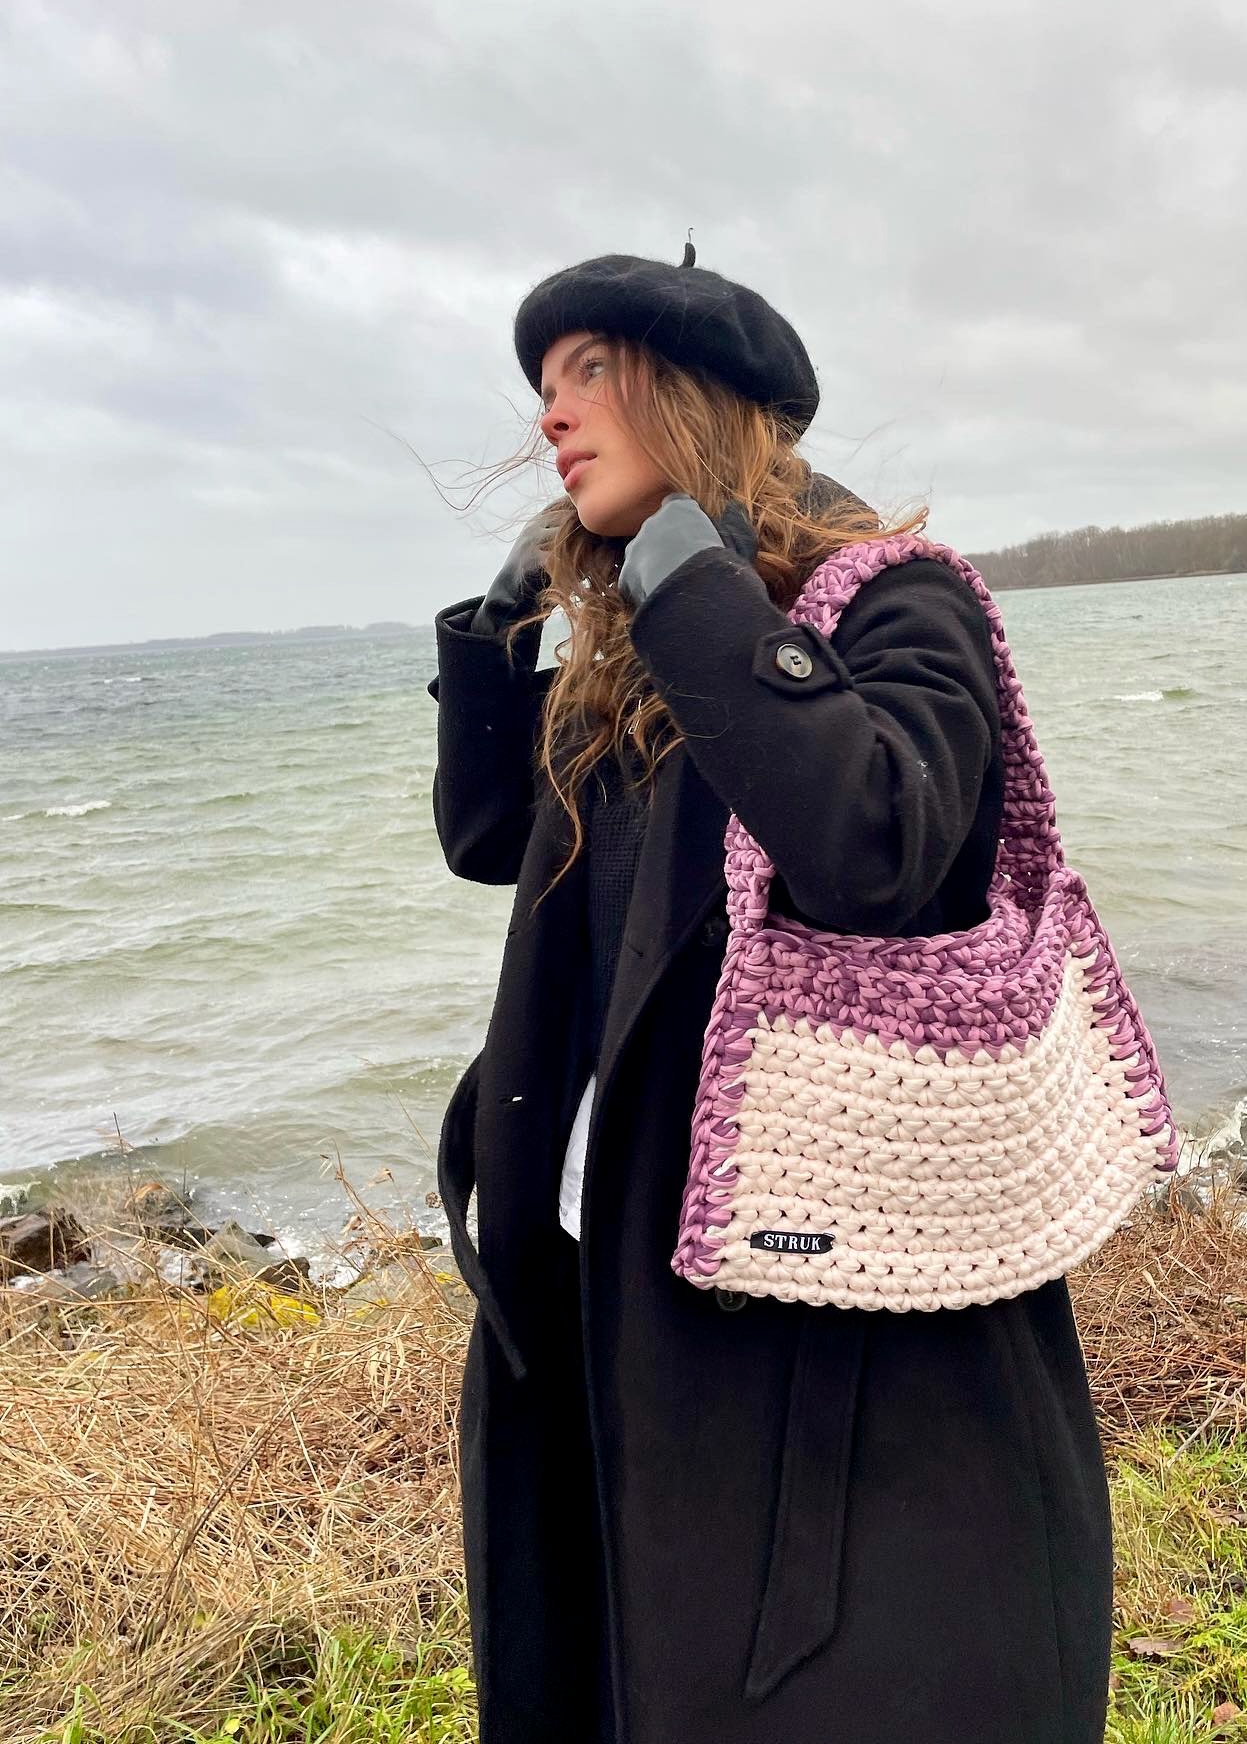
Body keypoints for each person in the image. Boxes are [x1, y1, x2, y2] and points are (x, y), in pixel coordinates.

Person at [428, 249, 1113, 1743]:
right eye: (541, 387)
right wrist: (498, 641)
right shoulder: (633, 653)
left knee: (821, 1660)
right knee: (615, 1632)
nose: (551, 414)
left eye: (588, 372)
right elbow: (493, 842)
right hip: (616, 1246)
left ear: (694, 394)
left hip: (821, 1271)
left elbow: (875, 839)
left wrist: (692, 587)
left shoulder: (897, 602)